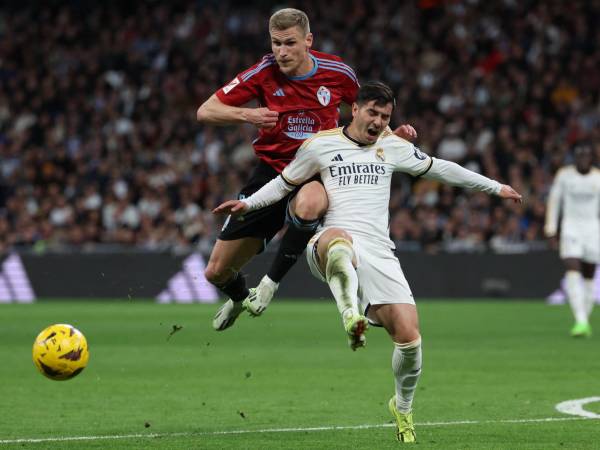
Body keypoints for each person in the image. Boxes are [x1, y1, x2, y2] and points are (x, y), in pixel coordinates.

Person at [213, 81, 522, 442]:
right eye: (372, 112)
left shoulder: (392, 147)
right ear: (355, 109)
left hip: (379, 252)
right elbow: (283, 184)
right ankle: (350, 316)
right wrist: (248, 204)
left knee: (410, 341)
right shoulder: (321, 145)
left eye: (385, 116)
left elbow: (443, 168)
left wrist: (495, 187)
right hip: (328, 243)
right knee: (339, 244)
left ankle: (402, 408)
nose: (377, 121)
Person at [196, 8, 417, 331]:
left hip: (318, 172)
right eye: (276, 43)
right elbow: (206, 111)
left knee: (313, 204)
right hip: (271, 172)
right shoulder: (262, 72)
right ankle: (241, 298)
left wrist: (390, 136)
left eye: (289, 43)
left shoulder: (337, 73)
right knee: (215, 272)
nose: (281, 52)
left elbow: (363, 115)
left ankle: (272, 284)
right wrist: (250, 116)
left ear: (308, 41)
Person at [545, 144, 600, 337]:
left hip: (592, 229)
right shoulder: (564, 175)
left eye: (586, 155)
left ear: (591, 158)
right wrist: (551, 229)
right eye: (579, 155)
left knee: (588, 276)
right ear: (574, 158)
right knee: (572, 267)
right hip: (571, 228)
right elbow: (555, 201)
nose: (583, 158)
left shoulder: (597, 177)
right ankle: (580, 320)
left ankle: (584, 318)